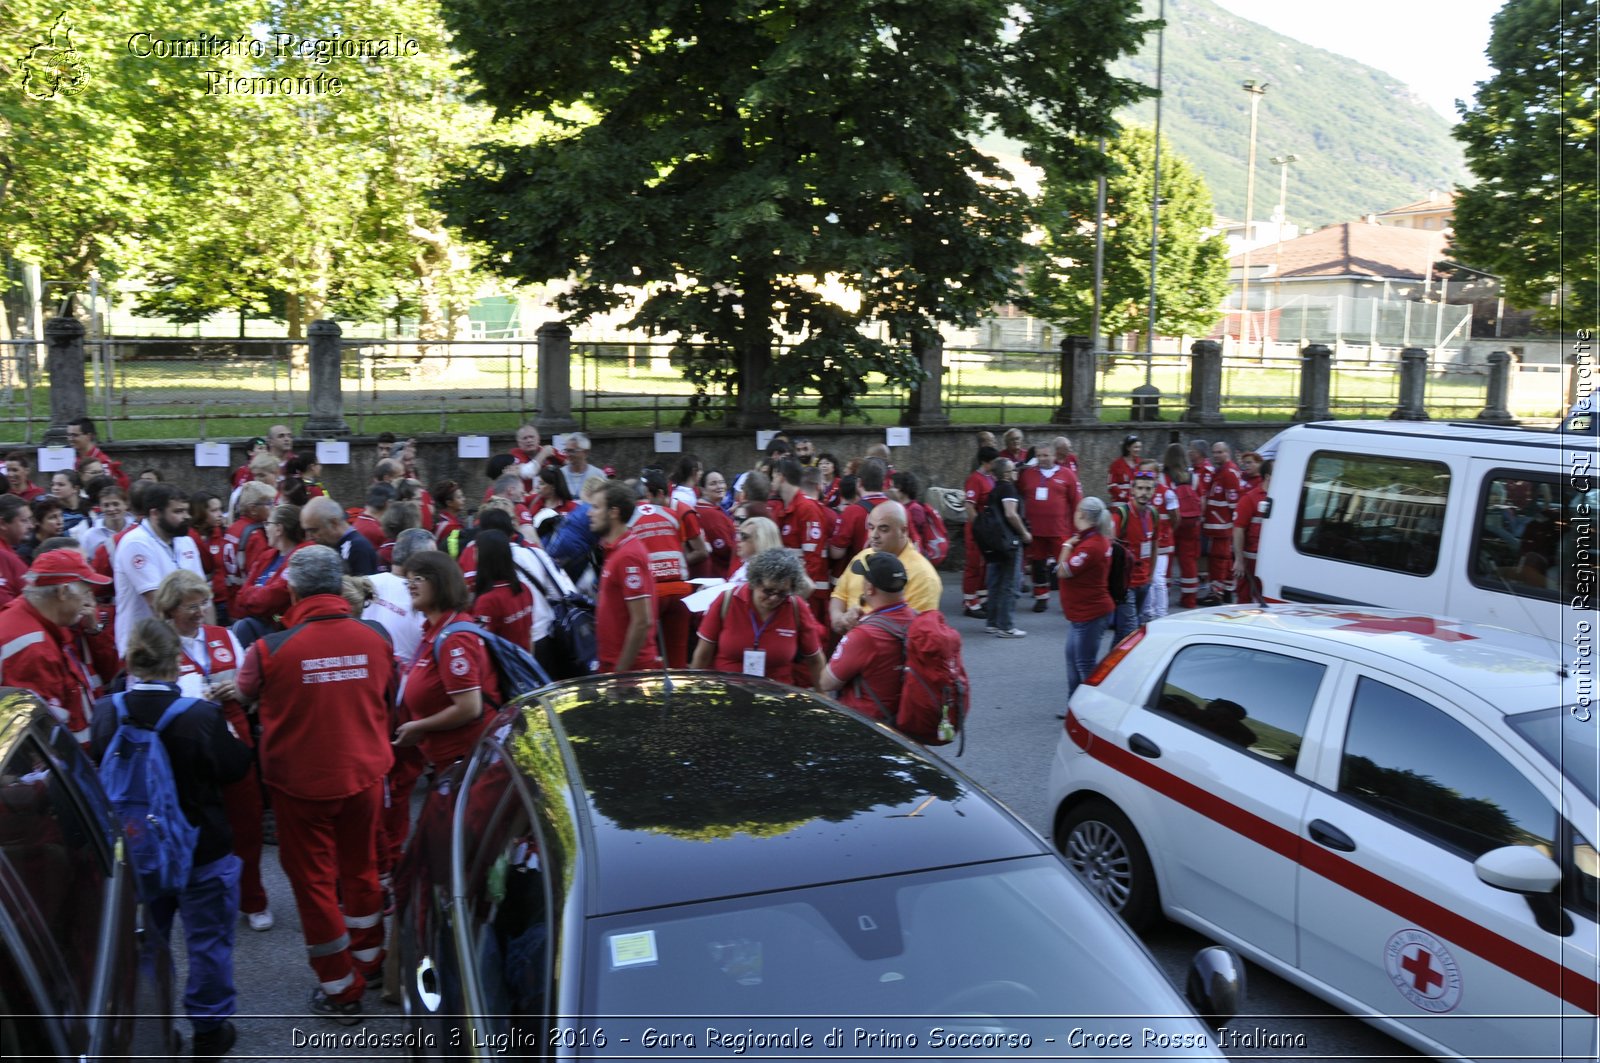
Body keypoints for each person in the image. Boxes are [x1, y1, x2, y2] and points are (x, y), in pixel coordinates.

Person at [237, 545, 395, 1022]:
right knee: (361, 869)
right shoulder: (376, 637)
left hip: (299, 786)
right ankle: (371, 959)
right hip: (364, 775)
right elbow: (387, 694)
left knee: (314, 886)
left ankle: (341, 988)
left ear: (294, 588)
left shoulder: (269, 649)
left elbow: (243, 695)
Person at [91, 618, 251, 1059]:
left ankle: (153, 1030)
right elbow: (236, 767)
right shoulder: (199, 715)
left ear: (130, 660)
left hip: (139, 848)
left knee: (145, 943)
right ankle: (209, 1029)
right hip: (202, 848)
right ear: (177, 661)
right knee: (209, 943)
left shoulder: (107, 710)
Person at [155, 569, 272, 934]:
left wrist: (235, 692)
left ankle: (253, 899)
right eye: (190, 606)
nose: (200, 611)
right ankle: (202, 899)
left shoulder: (223, 636)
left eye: (203, 603)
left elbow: (248, 687)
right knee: (197, 825)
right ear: (170, 609)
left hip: (232, 736)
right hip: (186, 744)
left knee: (247, 821)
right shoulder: (159, 643)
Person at [395, 550, 502, 765]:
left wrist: (420, 726)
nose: (411, 586)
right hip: (452, 760)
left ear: (441, 581)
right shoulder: (435, 629)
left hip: (466, 761)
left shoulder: (455, 638)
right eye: (408, 581)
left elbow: (469, 708)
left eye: (418, 578)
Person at [0, 549, 106, 749]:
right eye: (85, 592)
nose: (89, 602)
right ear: (62, 592)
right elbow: (41, 735)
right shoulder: (34, 648)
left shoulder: (34, 620)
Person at [691, 549, 823, 685]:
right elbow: (703, 654)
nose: (774, 598)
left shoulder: (796, 607)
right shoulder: (727, 601)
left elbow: (814, 659)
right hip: (728, 689)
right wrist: (693, 689)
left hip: (777, 694)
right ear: (754, 582)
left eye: (782, 593)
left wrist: (822, 692)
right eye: (768, 590)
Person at [819, 553, 915, 722]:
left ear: (869, 588)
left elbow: (826, 682)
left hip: (869, 725)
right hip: (908, 721)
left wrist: (851, 635)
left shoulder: (864, 635)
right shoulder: (918, 619)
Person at [114, 483, 205, 657]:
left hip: (186, 639)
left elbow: (203, 595)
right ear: (155, 514)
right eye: (178, 512)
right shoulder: (135, 542)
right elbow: (157, 602)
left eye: (186, 510)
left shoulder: (185, 540)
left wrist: (205, 636)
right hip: (146, 645)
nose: (186, 517)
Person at [830, 501, 942, 636]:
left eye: (883, 529)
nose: (874, 536)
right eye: (871, 528)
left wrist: (860, 622)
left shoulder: (924, 576)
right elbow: (839, 595)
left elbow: (913, 631)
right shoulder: (862, 556)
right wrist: (838, 619)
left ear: (903, 531)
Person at [590, 480, 660, 673]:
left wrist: (621, 674)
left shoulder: (628, 555)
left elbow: (642, 621)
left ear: (613, 512)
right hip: (612, 665)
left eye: (596, 507)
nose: (589, 513)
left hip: (628, 671)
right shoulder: (615, 550)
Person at [1059, 497, 1117, 700]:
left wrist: (1066, 546)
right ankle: (1073, 705)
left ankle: (1092, 708)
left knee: (1084, 663)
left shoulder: (1091, 544)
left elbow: (1063, 571)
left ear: (1082, 514)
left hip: (1091, 613)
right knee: (1072, 660)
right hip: (1081, 613)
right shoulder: (1089, 539)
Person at [1016, 440, 1080, 612]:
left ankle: (1072, 599)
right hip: (1035, 531)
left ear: (1054, 455)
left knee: (1065, 565)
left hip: (1060, 530)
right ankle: (1041, 596)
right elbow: (1017, 494)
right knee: (1038, 565)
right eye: (1039, 455)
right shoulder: (1027, 474)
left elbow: (1076, 502)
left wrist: (1078, 529)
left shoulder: (1067, 475)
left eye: (1046, 455)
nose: (1042, 459)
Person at [231, 504, 309, 643]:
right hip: (262, 625)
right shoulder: (266, 556)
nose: (265, 528)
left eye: (268, 524)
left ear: (279, 529)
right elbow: (240, 597)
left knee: (243, 627)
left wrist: (253, 596)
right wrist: (258, 598)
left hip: (283, 631)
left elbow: (272, 597)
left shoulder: (302, 556)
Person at [771, 458, 831, 623]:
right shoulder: (789, 508)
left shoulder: (806, 509)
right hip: (793, 590)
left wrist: (797, 593)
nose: (772, 481)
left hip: (809, 594)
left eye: (773, 476)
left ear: (781, 477)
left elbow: (813, 560)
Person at [980, 457, 1030, 638]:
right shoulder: (1008, 488)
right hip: (1009, 543)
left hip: (995, 543)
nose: (1016, 472)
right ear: (1007, 474)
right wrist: (1024, 533)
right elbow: (1011, 514)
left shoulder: (994, 490)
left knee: (994, 582)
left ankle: (992, 623)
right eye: (1013, 470)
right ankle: (1006, 626)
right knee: (1010, 583)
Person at [470, 530, 536, 650]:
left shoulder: (487, 601)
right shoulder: (523, 588)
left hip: (502, 667)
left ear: (482, 555)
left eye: (475, 549)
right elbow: (529, 635)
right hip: (524, 663)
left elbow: (482, 648)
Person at [1112, 474, 1159, 641]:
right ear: (1132, 490)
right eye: (1140, 488)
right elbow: (1109, 545)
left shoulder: (1153, 514)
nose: (1143, 493)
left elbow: (1154, 545)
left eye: (1148, 489)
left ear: (1154, 491)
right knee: (1131, 631)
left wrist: (1151, 576)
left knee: (1123, 631)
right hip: (1126, 584)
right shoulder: (1122, 514)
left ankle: (1112, 664)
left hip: (1144, 581)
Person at [1161, 444, 1204, 609]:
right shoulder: (1194, 477)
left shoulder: (1163, 477)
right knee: (1189, 562)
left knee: (1167, 561)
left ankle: (1164, 596)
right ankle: (1189, 599)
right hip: (1190, 524)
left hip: (1170, 524)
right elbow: (1202, 502)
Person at [222, 482, 275, 613]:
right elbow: (260, 574)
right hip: (247, 605)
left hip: (232, 600)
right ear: (253, 509)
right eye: (268, 504)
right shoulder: (256, 536)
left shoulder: (232, 528)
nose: (273, 507)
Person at [1201, 441, 1243, 606]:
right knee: (1221, 559)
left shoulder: (1228, 473)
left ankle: (1216, 593)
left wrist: (1233, 525)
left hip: (1222, 525)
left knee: (1219, 559)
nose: (1216, 455)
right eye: (1214, 452)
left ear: (1227, 453)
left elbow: (1234, 502)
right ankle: (1225, 591)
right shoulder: (1221, 471)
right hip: (1218, 525)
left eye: (1219, 452)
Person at [960, 446, 998, 618]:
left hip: (986, 529)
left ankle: (981, 598)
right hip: (977, 530)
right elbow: (969, 505)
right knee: (974, 565)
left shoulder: (990, 477)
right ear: (986, 462)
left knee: (984, 565)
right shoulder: (975, 480)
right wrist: (978, 527)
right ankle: (969, 602)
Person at [302, 496, 380, 576]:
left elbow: (363, 587)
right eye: (306, 531)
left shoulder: (357, 548)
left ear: (334, 523)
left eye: (314, 530)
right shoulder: (335, 545)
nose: (309, 537)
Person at [1233, 459, 1272, 605]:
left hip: (1269, 561)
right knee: (1245, 601)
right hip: (1251, 561)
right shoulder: (1250, 499)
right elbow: (1238, 529)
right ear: (1268, 476)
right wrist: (1239, 560)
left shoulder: (1281, 498)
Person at [693, 470, 737, 580]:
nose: (719, 486)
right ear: (703, 489)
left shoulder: (705, 508)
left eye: (722, 482)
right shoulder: (711, 514)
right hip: (719, 576)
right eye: (713, 483)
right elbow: (725, 548)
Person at [66, 416, 129, 489]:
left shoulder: (103, 462)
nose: (70, 439)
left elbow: (106, 491)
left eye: (75, 435)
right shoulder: (77, 458)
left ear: (89, 436)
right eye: (68, 435)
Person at [0, 495, 34, 606]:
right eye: (24, 521)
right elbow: (5, 605)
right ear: (2, 524)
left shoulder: (8, 551)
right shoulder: (2, 556)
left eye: (30, 520)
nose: (31, 526)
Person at [727, 516, 783, 584]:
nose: (738, 539)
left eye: (744, 536)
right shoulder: (747, 565)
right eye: (738, 534)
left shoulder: (768, 574)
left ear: (761, 540)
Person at [560, 433, 607, 499]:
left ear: (586, 452)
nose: (568, 454)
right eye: (566, 450)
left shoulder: (598, 475)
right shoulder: (560, 473)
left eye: (572, 451)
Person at [1108, 434, 1142, 504]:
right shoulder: (1116, 464)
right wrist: (1125, 497)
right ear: (1128, 448)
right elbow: (1111, 485)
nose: (1138, 450)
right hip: (1120, 503)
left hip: (1137, 503)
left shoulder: (1140, 463)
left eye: (1139, 447)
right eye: (1135, 447)